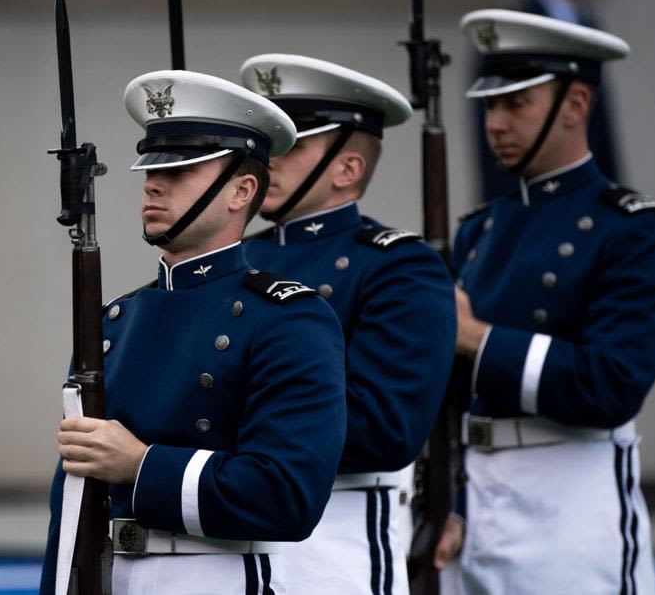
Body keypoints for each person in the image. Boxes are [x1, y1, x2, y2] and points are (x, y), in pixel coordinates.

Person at [40, 70, 348, 594]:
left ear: (241, 190)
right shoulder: (116, 320)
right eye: (150, 169)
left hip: (213, 572)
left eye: (181, 170)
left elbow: (286, 496)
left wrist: (141, 465)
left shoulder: (287, 317)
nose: (153, 183)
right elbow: (70, 500)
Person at [436, 10, 655, 594]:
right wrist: (444, 495)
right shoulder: (480, 231)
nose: (495, 123)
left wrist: (479, 339)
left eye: (516, 104)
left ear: (575, 105)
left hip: (571, 497)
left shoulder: (632, 232)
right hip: (473, 500)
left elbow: (611, 384)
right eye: (489, 106)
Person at [238, 54, 456, 594]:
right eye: (269, 143)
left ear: (348, 169)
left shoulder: (397, 266)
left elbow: (384, 429)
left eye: (292, 145)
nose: (270, 161)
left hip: (335, 533)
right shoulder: (236, 260)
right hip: (230, 524)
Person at [472, 0, 621, 200]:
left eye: (516, 103)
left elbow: (599, 134)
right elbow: (499, 155)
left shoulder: (588, 23)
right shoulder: (513, 24)